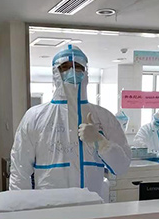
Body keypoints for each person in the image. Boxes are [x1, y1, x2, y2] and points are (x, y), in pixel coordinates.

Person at [9, 45, 131, 196]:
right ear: (55, 72)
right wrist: (20, 206)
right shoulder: (34, 117)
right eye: (64, 67)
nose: (72, 71)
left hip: (91, 204)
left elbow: (121, 167)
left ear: (86, 72)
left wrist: (100, 141)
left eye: (78, 67)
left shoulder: (104, 117)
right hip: (51, 205)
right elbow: (19, 170)